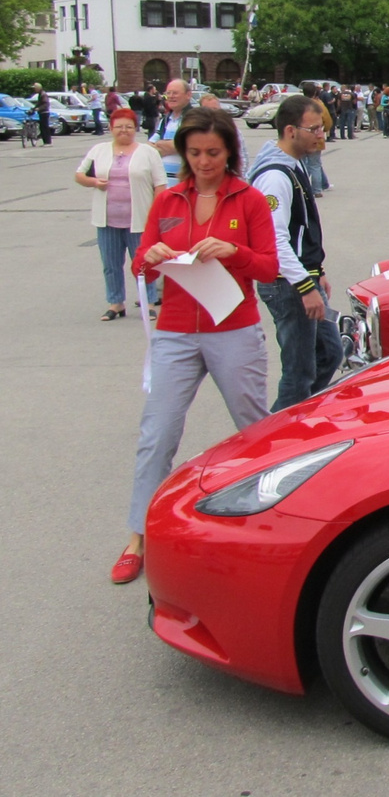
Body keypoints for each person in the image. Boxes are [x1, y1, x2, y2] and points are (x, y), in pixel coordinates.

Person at [112, 107, 278, 585]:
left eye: (213, 153)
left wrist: (235, 252)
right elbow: (139, 264)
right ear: (183, 152)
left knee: (255, 431)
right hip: (176, 330)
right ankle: (137, 537)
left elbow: (268, 268)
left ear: (230, 152)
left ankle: (273, 526)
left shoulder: (248, 200)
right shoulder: (167, 200)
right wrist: (151, 255)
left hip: (233, 327)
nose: (204, 162)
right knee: (157, 432)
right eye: (195, 153)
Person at [249, 95, 342, 414]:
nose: (321, 135)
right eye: (314, 128)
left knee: (330, 353)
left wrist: (318, 272)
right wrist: (305, 286)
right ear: (290, 130)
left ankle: (297, 418)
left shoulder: (293, 164)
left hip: (304, 278)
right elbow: (274, 239)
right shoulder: (275, 176)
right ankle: (279, 434)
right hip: (288, 285)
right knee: (299, 372)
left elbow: (300, 230)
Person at [74, 108, 165, 320]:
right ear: (111, 128)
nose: (124, 131)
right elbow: (79, 175)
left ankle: (148, 301)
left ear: (136, 128)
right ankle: (115, 303)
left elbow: (160, 185)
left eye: (129, 127)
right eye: (119, 127)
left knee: (144, 262)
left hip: (140, 219)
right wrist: (94, 182)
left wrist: (156, 213)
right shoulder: (99, 150)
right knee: (111, 264)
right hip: (107, 219)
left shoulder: (148, 152)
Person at [148, 78, 192, 185]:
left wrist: (160, 144)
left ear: (188, 95)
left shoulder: (193, 117)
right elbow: (149, 147)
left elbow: (188, 145)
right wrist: (172, 146)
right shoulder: (166, 120)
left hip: (185, 183)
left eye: (175, 93)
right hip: (165, 185)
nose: (171, 96)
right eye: (168, 93)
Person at [198, 93, 248, 171]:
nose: (212, 113)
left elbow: (241, 157)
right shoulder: (195, 132)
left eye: (215, 109)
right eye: (208, 110)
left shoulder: (232, 130)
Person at [299, 84, 333, 194]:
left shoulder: (299, 105)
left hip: (301, 137)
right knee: (315, 165)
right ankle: (317, 190)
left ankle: (302, 187)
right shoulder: (319, 105)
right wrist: (325, 130)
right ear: (315, 93)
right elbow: (327, 120)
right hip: (315, 137)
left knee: (302, 164)